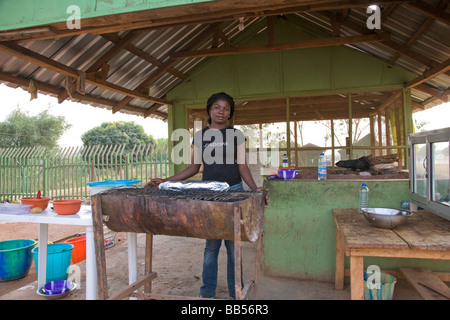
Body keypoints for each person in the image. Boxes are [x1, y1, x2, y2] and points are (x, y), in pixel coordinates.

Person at [145, 92, 268, 299]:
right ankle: (206, 294)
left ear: (230, 112)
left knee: (233, 246)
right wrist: (167, 180)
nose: (222, 111)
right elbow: (193, 168)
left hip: (234, 192)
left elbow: (243, 166)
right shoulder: (200, 136)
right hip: (210, 194)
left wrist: (255, 188)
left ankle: (234, 294)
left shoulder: (236, 135)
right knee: (211, 245)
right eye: (217, 107)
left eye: (226, 108)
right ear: (210, 110)